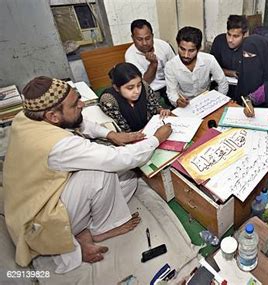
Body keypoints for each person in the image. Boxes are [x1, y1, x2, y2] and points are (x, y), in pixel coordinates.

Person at [3, 76, 172, 273]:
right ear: (53, 116)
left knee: (129, 180)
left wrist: (110, 134)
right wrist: (155, 139)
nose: (82, 104)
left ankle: (84, 229)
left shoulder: (27, 116)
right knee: (101, 171)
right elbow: (115, 159)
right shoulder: (60, 145)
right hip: (39, 221)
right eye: (75, 104)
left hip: (41, 195)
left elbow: (79, 122)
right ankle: (101, 229)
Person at [165, 26, 228, 108]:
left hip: (207, 103)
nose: (186, 55)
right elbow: (171, 92)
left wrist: (218, 102)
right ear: (178, 45)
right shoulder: (170, 66)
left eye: (191, 51)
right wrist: (177, 101)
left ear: (198, 49)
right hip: (185, 106)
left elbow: (222, 82)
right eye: (182, 49)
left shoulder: (209, 60)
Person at [99, 62, 171, 132]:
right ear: (116, 88)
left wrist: (161, 111)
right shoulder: (109, 100)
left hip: (149, 130)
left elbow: (154, 106)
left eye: (139, 85)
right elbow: (121, 131)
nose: (137, 91)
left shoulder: (144, 86)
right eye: (130, 88)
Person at [125, 19, 175, 107]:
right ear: (133, 38)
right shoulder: (130, 55)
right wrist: (153, 64)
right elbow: (144, 82)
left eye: (148, 38)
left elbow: (175, 66)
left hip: (169, 82)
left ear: (152, 36)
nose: (144, 43)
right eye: (139, 39)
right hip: (151, 88)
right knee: (152, 110)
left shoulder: (163, 45)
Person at [210, 15, 248, 100]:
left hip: (241, 91)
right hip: (219, 87)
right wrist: (231, 73)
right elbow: (211, 68)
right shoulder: (219, 41)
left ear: (244, 35)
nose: (230, 40)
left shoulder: (249, 46)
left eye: (235, 36)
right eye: (229, 34)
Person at [235, 34, 268, 102]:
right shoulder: (243, 69)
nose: (246, 58)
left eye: (250, 55)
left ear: (263, 55)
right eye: (244, 54)